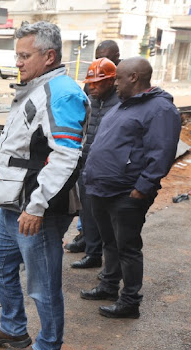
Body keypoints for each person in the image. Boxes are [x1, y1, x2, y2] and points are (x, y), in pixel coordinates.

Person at [0, 21, 89, 350]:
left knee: (42, 284)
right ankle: (13, 328)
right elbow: (35, 141)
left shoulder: (63, 93)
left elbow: (67, 154)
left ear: (49, 55)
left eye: (25, 56)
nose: (19, 63)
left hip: (35, 209)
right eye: (18, 56)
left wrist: (37, 206)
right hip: (14, 203)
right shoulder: (37, 88)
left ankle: (48, 348)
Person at [81, 57, 181, 318]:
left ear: (134, 77)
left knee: (128, 247)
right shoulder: (122, 106)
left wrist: (143, 187)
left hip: (126, 192)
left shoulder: (160, 109)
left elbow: (162, 152)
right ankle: (109, 285)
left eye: (118, 78)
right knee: (110, 242)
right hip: (102, 188)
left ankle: (129, 302)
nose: (114, 84)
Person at [66, 40, 122, 253]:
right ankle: (91, 247)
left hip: (108, 167)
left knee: (106, 217)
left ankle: (103, 256)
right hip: (86, 162)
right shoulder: (91, 93)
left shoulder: (123, 96)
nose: (93, 87)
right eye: (91, 84)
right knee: (87, 210)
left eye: (98, 83)